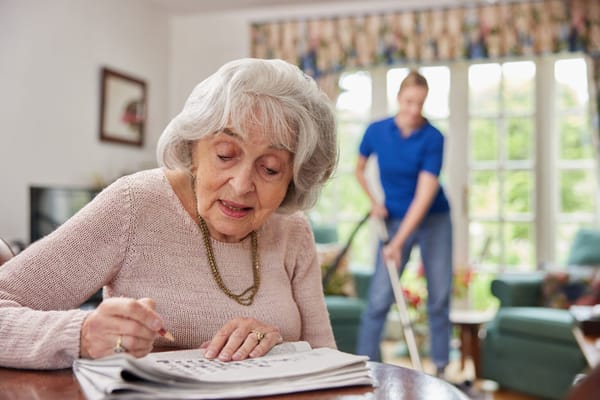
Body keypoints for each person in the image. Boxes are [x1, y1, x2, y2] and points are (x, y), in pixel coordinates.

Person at [0, 58, 338, 369]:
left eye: (270, 168)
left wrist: (278, 344)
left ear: (293, 178)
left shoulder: (292, 229)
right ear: (192, 149)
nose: (241, 185)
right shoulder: (134, 204)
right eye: (225, 155)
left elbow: (327, 360)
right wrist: (81, 333)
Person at [354, 70, 453, 376]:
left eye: (420, 103)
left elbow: (424, 197)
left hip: (434, 219)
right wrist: (374, 202)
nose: (414, 109)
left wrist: (397, 244)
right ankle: (365, 369)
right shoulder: (377, 131)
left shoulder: (433, 138)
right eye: (409, 101)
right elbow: (358, 169)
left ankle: (440, 370)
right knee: (379, 297)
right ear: (399, 97)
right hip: (394, 217)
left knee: (438, 295)